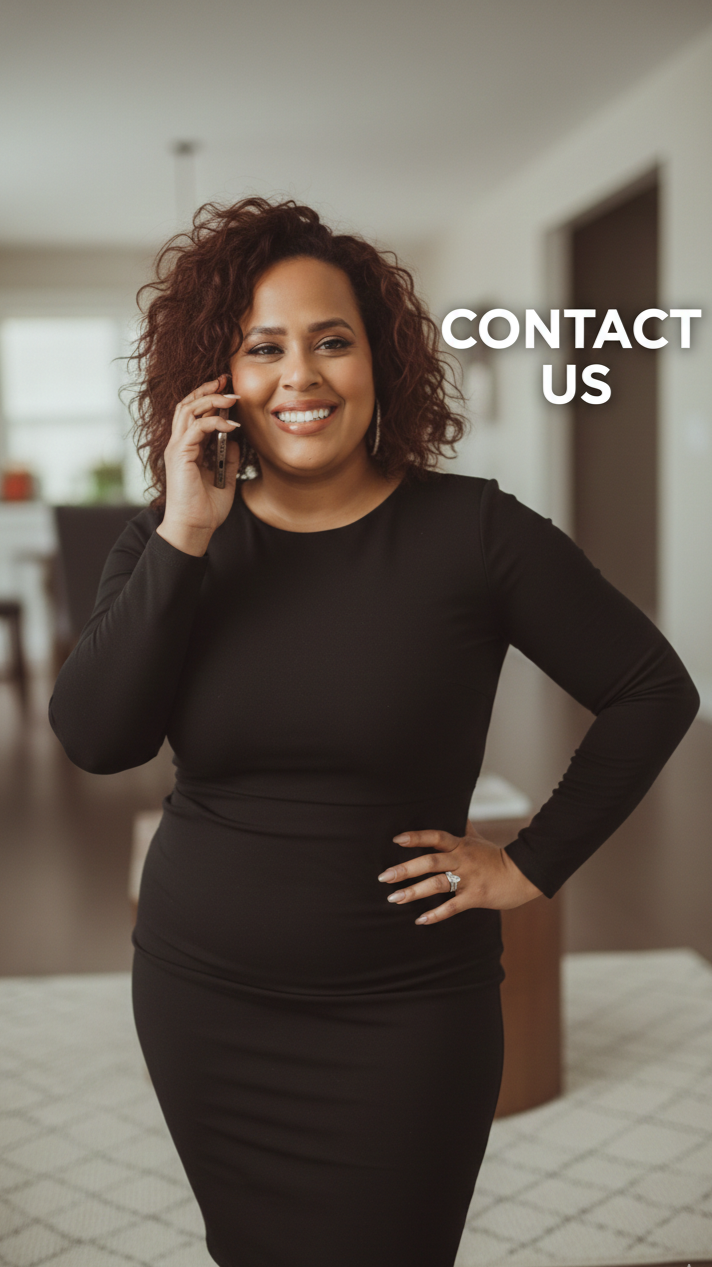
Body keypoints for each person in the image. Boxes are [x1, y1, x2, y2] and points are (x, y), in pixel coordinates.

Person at [49, 197, 699, 1267]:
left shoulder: (475, 532)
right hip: (202, 995)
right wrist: (184, 536)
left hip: (407, 1011)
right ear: (213, 381)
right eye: (263, 348)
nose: (298, 376)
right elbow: (97, 736)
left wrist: (532, 864)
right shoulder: (168, 541)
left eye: (330, 341)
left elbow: (651, 688)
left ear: (380, 360)